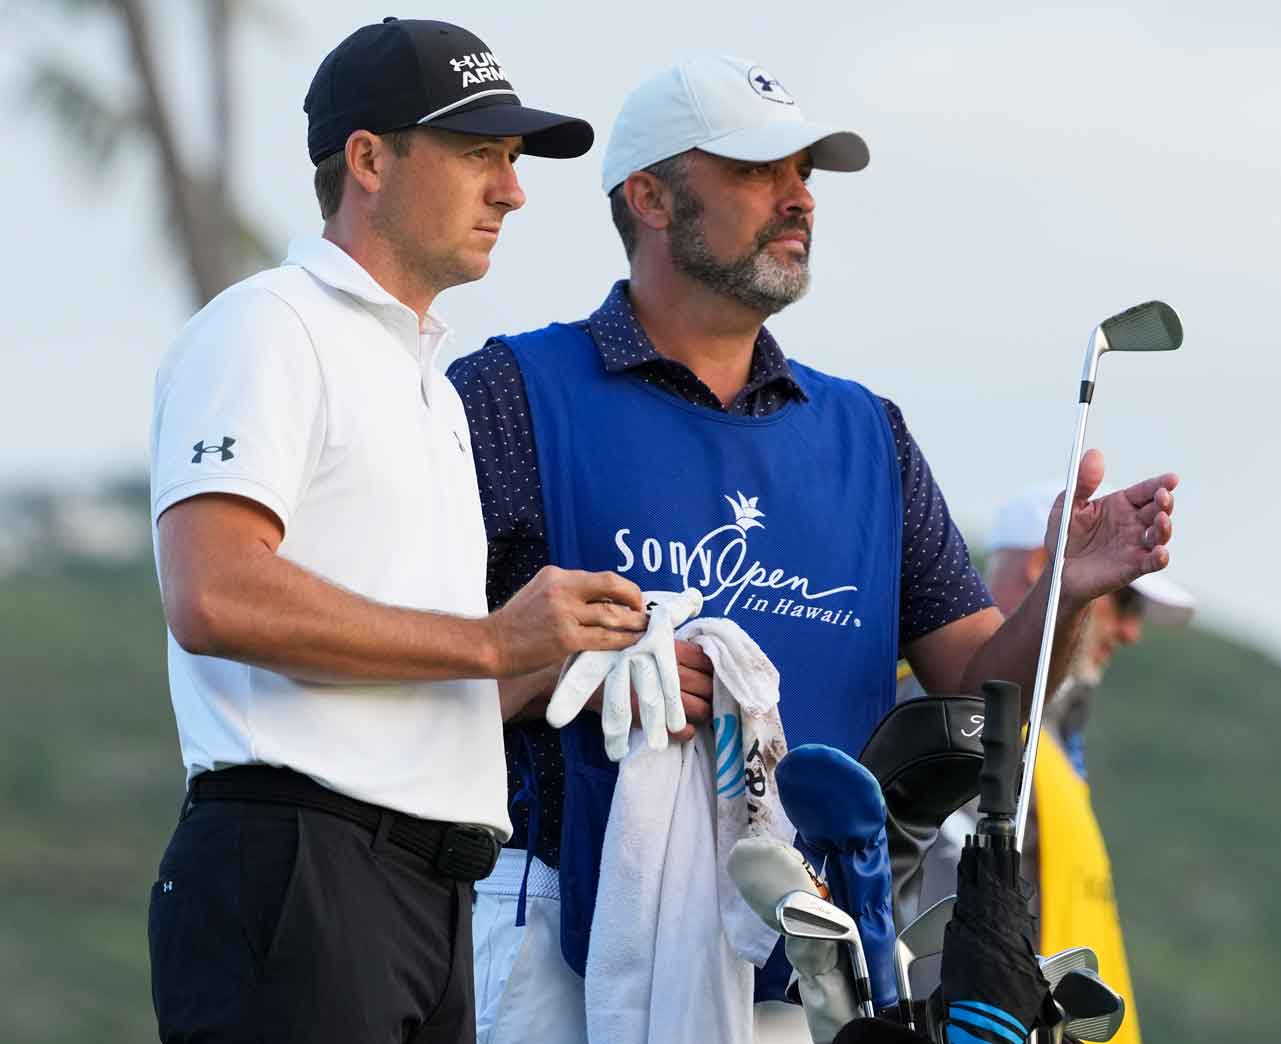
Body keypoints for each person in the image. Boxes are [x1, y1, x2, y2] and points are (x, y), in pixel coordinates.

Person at [446, 53, 1181, 1042]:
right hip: (556, 945)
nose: (797, 199)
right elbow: (417, 669)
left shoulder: (867, 434)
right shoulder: (504, 393)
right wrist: (569, 666)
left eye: (804, 175)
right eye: (756, 171)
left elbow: (977, 700)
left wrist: (1072, 592)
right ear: (649, 196)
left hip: (809, 969)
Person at [144, 19, 646, 1043]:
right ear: (367, 158)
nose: (510, 189)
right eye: (478, 154)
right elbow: (214, 594)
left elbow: (402, 680)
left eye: (510, 160)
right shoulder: (266, 326)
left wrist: (549, 664)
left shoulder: (429, 382)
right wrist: (493, 639)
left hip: (419, 894)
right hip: (296, 870)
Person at [990, 481, 1199, 1044]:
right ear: (1043, 565)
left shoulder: (1045, 745)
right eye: (1124, 600)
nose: (1131, 632)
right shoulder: (955, 722)